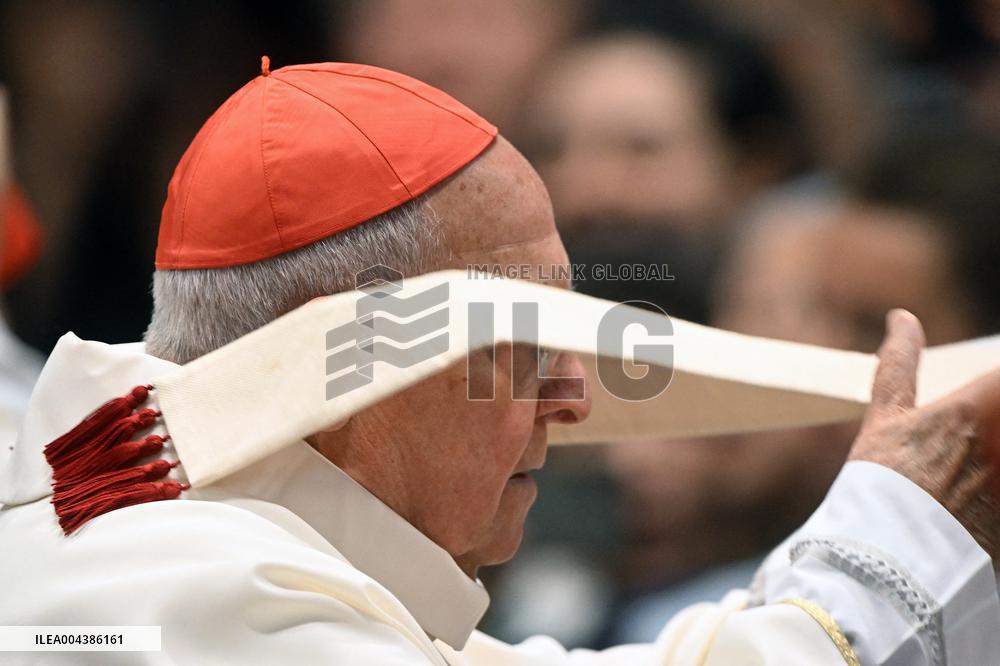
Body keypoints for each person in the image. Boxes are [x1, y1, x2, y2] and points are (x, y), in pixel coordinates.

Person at [0, 60, 998, 665]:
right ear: (350, 366)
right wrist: (899, 531)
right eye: (519, 344)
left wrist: (903, 516)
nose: (571, 397)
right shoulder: (188, 592)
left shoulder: (215, 548)